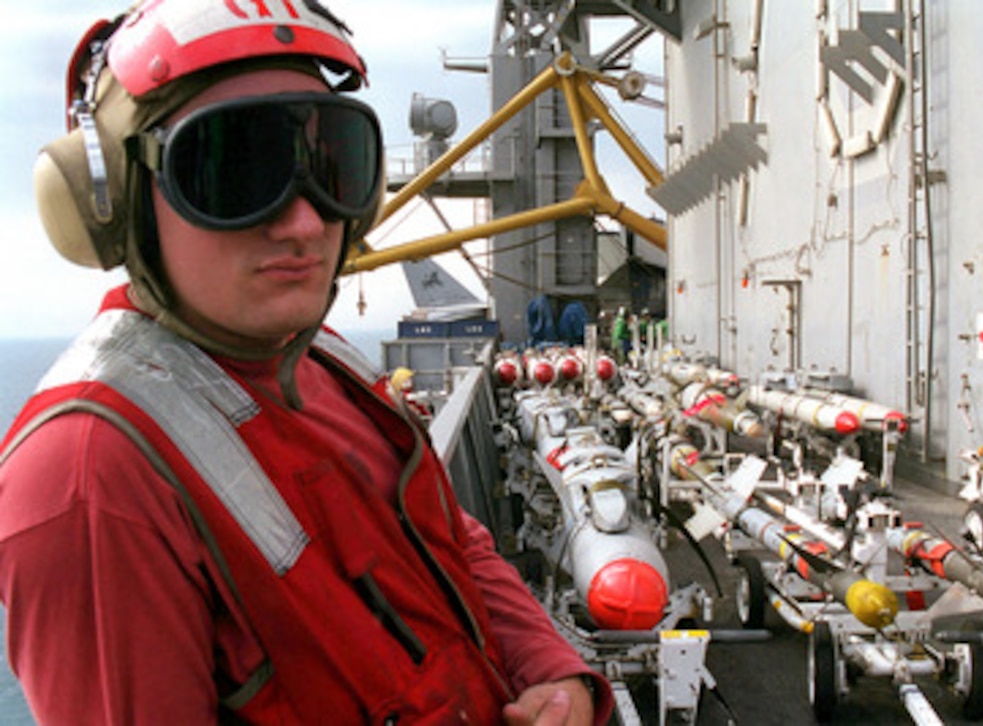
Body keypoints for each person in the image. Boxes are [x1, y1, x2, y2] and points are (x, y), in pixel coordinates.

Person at [0, 2, 612, 724]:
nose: (302, 222)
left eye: (331, 164)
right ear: (116, 200)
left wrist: (552, 669)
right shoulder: (87, 480)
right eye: (235, 170)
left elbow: (456, 544)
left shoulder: (324, 360)